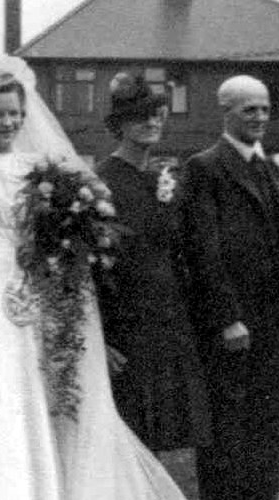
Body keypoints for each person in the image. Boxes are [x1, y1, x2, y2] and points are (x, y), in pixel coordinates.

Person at [0, 57, 244, 500]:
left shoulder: (45, 167)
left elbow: (72, 238)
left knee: (47, 404)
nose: (6, 123)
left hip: (39, 284)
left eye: (14, 113)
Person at [181, 75, 279, 500]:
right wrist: (227, 316)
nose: (259, 117)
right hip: (230, 322)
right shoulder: (205, 167)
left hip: (272, 320)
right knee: (226, 418)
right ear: (226, 112)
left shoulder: (269, 167)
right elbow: (203, 250)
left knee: (267, 418)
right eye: (249, 109)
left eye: (265, 109)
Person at [95, 73, 211, 452]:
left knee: (157, 431)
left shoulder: (164, 177)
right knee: (128, 433)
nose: (151, 123)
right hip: (124, 323)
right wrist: (101, 339)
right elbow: (90, 269)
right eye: (140, 116)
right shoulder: (100, 182)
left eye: (158, 115)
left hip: (166, 320)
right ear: (120, 124)